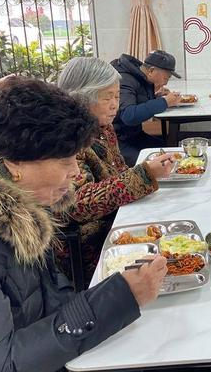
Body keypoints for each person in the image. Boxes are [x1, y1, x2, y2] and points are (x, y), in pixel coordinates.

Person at [0, 77, 168, 371]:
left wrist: (109, 298)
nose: (76, 173)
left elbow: (47, 294)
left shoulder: (12, 197)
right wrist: (118, 299)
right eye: (65, 161)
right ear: (15, 164)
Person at [57, 57, 174, 282]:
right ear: (81, 98)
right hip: (90, 245)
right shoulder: (66, 137)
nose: (115, 105)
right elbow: (77, 203)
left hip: (117, 219)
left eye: (117, 96)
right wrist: (145, 174)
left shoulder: (103, 127)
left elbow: (119, 171)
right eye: (107, 97)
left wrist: (147, 173)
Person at [112, 50, 182, 166]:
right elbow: (128, 115)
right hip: (117, 141)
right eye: (166, 78)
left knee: (167, 151)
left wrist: (155, 97)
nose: (165, 83)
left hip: (134, 135)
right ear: (151, 71)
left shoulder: (140, 76)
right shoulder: (125, 80)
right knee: (162, 162)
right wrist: (164, 102)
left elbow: (135, 101)